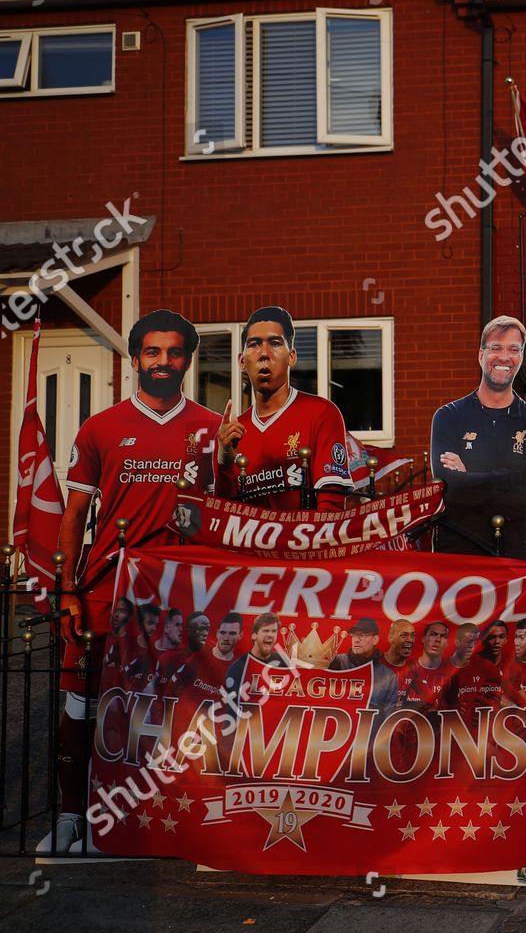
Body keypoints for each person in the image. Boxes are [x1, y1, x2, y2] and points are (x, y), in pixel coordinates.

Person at [40, 310, 219, 853]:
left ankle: (148, 818)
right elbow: (73, 516)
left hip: (179, 593)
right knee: (84, 705)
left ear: (187, 359)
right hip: (103, 587)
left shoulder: (211, 429)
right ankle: (74, 814)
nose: (163, 363)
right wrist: (67, 589)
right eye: (152, 353)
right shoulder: (101, 427)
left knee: (169, 710)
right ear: (135, 358)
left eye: (174, 353)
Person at [430, 315, 526, 559]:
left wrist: (468, 479)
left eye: (514, 349)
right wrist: (508, 478)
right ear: (481, 355)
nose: (505, 357)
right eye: (496, 348)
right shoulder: (448, 417)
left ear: (521, 357)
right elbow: (448, 491)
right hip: (459, 556)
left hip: (513, 558)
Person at [214, 306, 352, 511]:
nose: (264, 353)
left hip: (305, 541)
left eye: (275, 343)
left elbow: (331, 510)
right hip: (252, 544)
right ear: (242, 361)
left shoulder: (321, 413)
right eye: (254, 344)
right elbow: (227, 516)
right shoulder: (232, 432)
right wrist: (224, 464)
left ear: (292, 357)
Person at [329, 617, 399, 710]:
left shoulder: (388, 677)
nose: (356, 640)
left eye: (363, 635)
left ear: (375, 639)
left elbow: (388, 717)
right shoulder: (337, 662)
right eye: (354, 635)